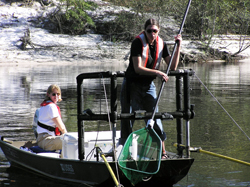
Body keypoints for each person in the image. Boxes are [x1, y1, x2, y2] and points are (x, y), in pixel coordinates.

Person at [120, 18, 182, 158]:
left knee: (155, 118)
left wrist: (178, 46)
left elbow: (172, 66)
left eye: (155, 31)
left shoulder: (162, 44)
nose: (152, 34)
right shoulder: (137, 43)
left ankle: (163, 153)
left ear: (158, 31)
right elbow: (137, 68)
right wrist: (158, 73)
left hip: (149, 85)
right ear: (145, 30)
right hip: (132, 85)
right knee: (127, 119)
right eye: (149, 31)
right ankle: (124, 153)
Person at [36, 84, 67, 151]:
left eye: (58, 94)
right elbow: (62, 127)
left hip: (42, 140)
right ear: (48, 94)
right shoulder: (51, 107)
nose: (56, 96)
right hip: (46, 140)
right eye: (53, 94)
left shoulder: (44, 106)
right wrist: (68, 136)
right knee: (71, 141)